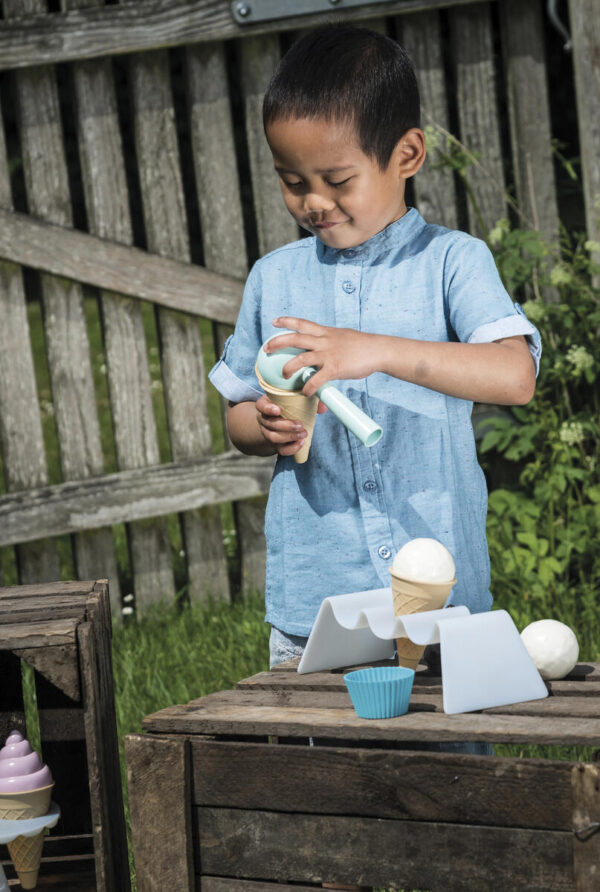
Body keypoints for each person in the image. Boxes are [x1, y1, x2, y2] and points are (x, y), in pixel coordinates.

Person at [209, 24, 540, 674]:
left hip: (442, 597)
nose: (313, 202)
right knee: (326, 771)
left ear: (407, 155)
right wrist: (266, 425)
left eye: (337, 178)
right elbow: (237, 416)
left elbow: (515, 375)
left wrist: (376, 350)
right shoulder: (273, 278)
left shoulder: (452, 262)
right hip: (318, 603)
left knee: (449, 767)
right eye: (291, 180)